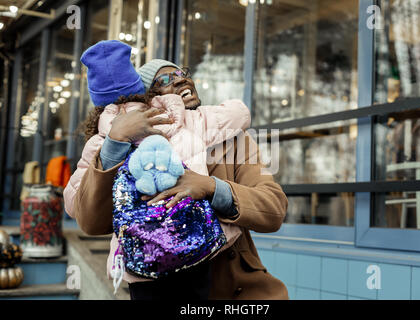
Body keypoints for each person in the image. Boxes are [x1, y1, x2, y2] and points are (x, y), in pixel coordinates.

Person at [69, 56, 289, 300]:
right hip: (159, 285)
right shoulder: (127, 147)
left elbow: (274, 208)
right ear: (148, 98)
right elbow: (91, 223)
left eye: (182, 73)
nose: (181, 79)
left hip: (235, 286)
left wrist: (211, 187)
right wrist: (115, 143)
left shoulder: (233, 138)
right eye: (165, 79)